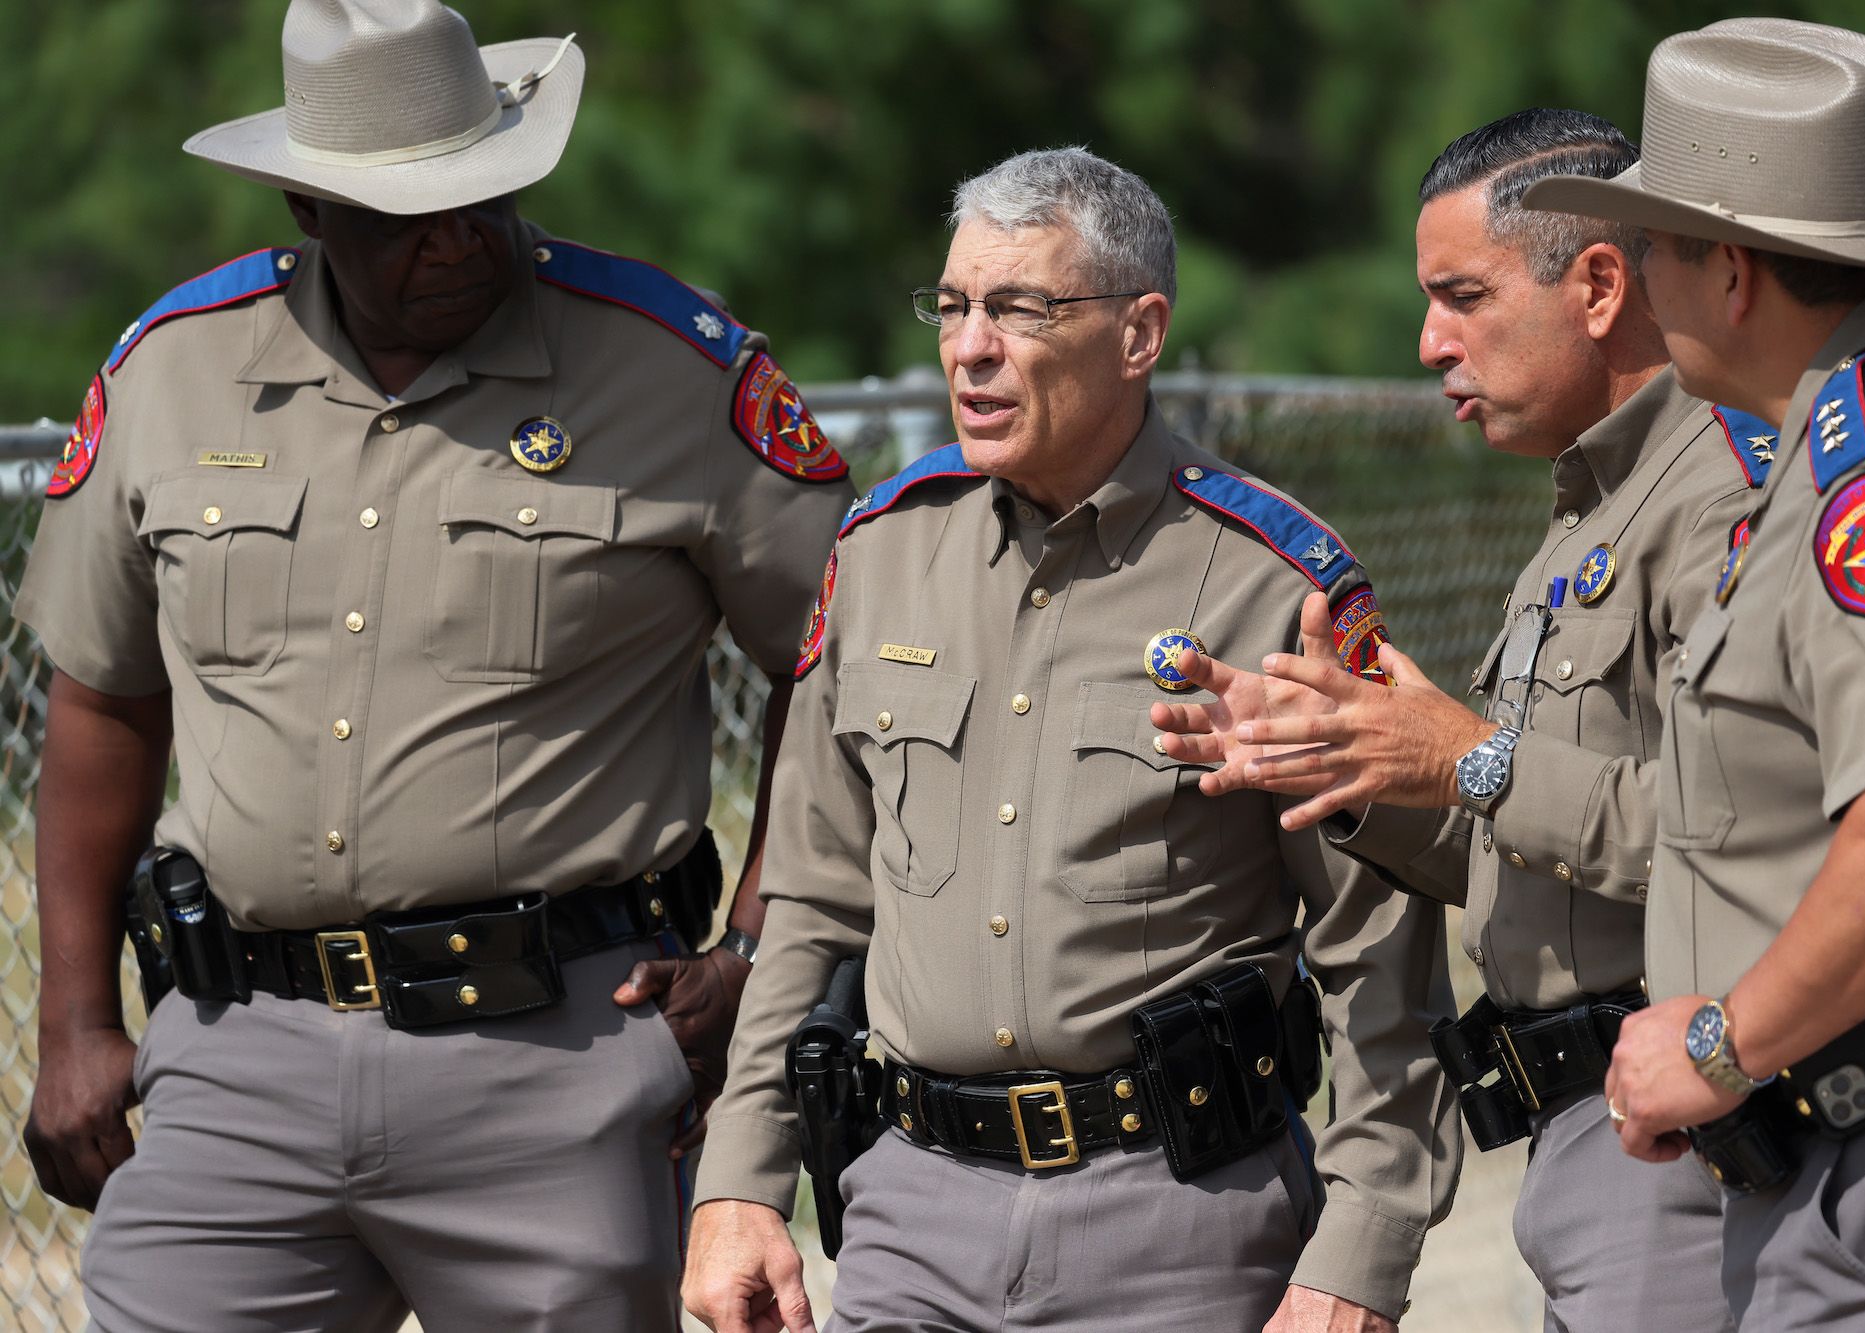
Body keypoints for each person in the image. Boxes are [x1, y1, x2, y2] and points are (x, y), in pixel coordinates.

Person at [14, 2, 853, 1328]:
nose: (461, 242)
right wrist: (73, 1025)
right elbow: (104, 698)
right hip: (238, 1059)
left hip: (561, 1058)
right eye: (408, 216)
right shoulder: (175, 372)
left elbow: (849, 667)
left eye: (485, 199)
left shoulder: (671, 371)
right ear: (306, 202)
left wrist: (757, 943)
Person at [680, 147, 1460, 1333]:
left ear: (1139, 333)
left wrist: (1358, 1257)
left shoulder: (1269, 587)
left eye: (1020, 308)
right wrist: (739, 1181)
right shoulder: (885, 554)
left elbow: (1377, 965)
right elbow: (811, 901)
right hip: (907, 1220)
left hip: (1178, 1225)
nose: (968, 347)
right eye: (951, 305)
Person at [1153, 108, 1772, 1331]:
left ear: (1598, 283)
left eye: (1460, 294)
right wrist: (1340, 759)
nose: (1428, 339)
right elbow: (1532, 845)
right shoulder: (1587, 504)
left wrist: (1465, 756)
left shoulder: (1726, 497)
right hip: (1586, 1141)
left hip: (1695, 1138)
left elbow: (1749, 839)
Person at [1516, 17, 1865, 1331]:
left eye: (1658, 245)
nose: (1643, 281)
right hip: (1851, 1152)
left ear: (1731, 272)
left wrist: (1722, 1042)